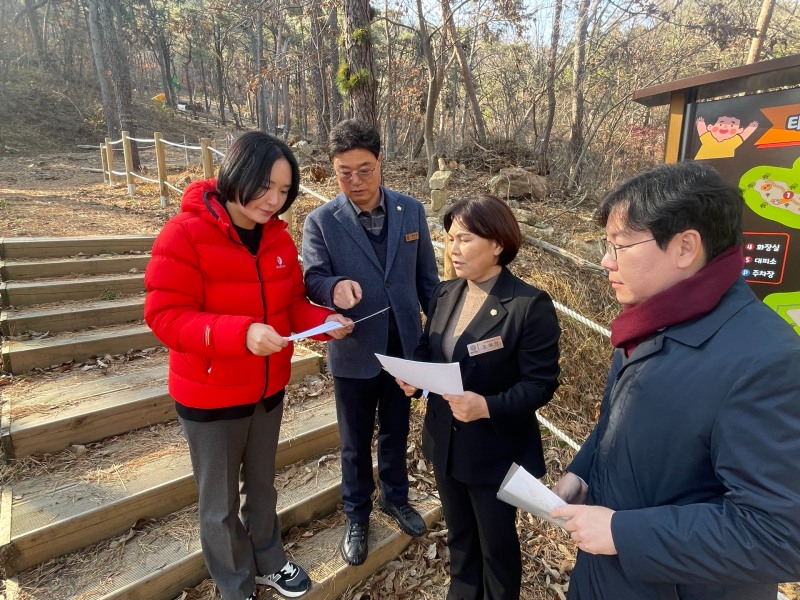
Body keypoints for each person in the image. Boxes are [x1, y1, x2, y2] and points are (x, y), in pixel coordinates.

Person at [550, 161, 800, 599]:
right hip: (603, 578)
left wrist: (623, 533)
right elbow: (615, 423)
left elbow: (780, 534)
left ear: (686, 248)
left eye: (620, 245)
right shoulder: (648, 321)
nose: (605, 261)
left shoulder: (765, 360)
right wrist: (582, 471)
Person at [144, 131, 353, 600]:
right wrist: (240, 333)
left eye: (284, 192)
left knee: (261, 486)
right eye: (266, 188)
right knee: (218, 503)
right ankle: (235, 583)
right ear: (237, 174)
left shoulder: (277, 238)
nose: (274, 201)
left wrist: (324, 321)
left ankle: (269, 559)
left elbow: (291, 305)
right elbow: (165, 316)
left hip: (266, 388)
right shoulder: (184, 233)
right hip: (210, 394)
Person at [397, 194, 561, 600]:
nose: (453, 249)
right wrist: (414, 378)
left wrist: (486, 405)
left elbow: (540, 384)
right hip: (446, 443)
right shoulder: (445, 293)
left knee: (496, 545)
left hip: (495, 450)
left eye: (465, 239)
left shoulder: (528, 305)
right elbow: (427, 346)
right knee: (460, 538)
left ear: (498, 244)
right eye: (450, 238)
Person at [301, 118, 440, 566]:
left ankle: (394, 497)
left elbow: (427, 281)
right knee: (355, 440)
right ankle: (357, 513)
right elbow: (313, 278)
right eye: (345, 172)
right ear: (332, 169)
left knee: (396, 430)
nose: (355, 181)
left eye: (365, 169)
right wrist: (333, 288)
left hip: (404, 348)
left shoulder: (410, 211)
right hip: (354, 348)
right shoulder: (321, 221)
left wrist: (439, 337)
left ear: (381, 162)